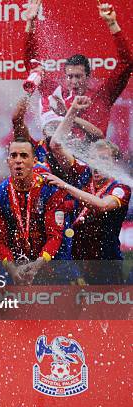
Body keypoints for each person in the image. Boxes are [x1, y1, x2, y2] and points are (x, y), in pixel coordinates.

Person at [42, 96, 131, 283]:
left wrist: (65, 185)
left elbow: (101, 205)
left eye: (104, 160)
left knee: (105, 311)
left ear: (114, 163)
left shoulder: (121, 187)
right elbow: (56, 145)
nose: (98, 165)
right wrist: (72, 110)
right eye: (94, 160)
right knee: (72, 310)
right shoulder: (84, 174)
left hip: (107, 264)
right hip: (76, 261)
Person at [24, 0, 131, 135]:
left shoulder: (102, 96)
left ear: (88, 77)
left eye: (78, 76)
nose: (74, 81)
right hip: (59, 154)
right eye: (70, 76)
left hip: (93, 154)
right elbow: (31, 66)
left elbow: (126, 64)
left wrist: (112, 24)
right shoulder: (56, 93)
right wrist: (31, 22)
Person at [0, 138, 67, 284]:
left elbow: (54, 237)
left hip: (43, 259)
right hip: (12, 258)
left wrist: (37, 266)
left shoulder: (50, 191)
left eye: (24, 156)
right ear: (8, 161)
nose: (18, 161)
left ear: (34, 161)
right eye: (14, 156)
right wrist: (13, 270)